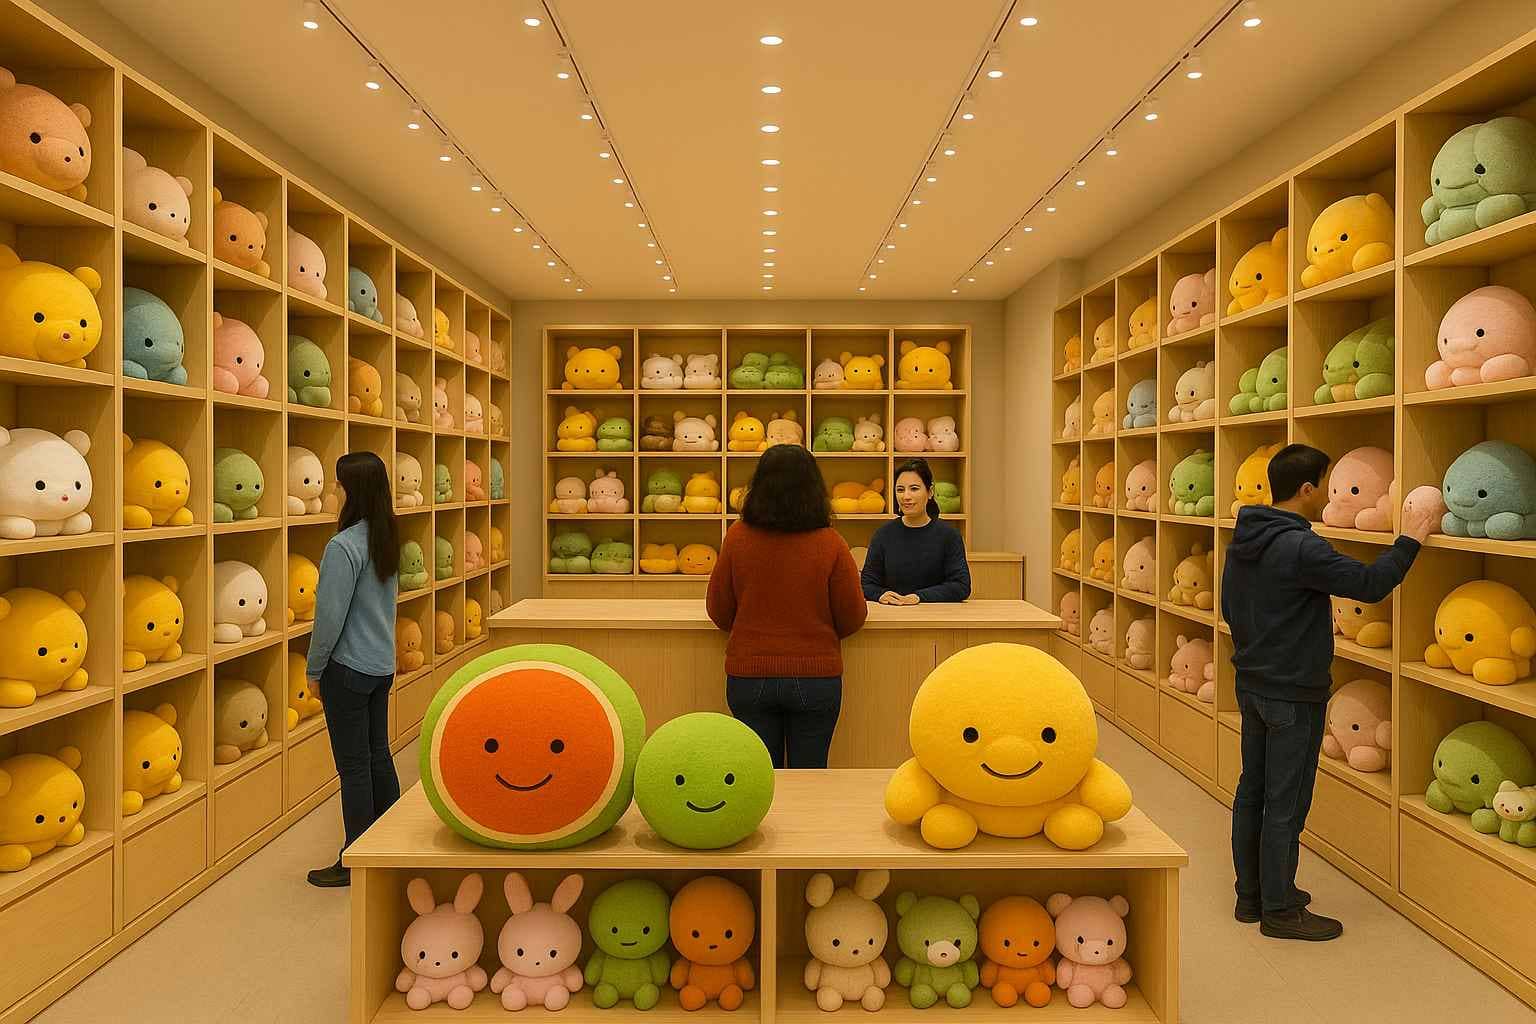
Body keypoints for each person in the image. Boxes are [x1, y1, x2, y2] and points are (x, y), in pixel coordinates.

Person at [1221, 444, 1434, 940]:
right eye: (1325, 482)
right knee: (1286, 803)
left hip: (1251, 683)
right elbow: (1370, 583)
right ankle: (1280, 911)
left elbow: (1232, 607)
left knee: (1252, 792)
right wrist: (1411, 537)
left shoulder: (1247, 535)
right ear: (1308, 489)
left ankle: (1251, 897)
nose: (1328, 494)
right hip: (1293, 692)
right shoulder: (1302, 546)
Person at [705, 444, 868, 767]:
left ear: (758, 486)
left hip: (749, 676)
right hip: (816, 676)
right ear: (814, 489)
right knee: (810, 780)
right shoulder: (830, 542)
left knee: (760, 779)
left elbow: (718, 609)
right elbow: (853, 615)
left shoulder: (737, 537)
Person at [304, 452, 401, 887]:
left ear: (352, 492)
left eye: (337, 485)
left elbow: (329, 618)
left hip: (347, 669)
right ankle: (390, 842)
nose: (331, 492)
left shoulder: (342, 546)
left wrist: (314, 668)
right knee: (378, 754)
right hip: (381, 664)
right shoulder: (385, 537)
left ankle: (355, 860)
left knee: (355, 767)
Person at [860, 458, 971, 605]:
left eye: (914, 489)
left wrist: (918, 597)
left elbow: (961, 586)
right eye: (900, 490)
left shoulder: (949, 535)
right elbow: (867, 583)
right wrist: (880, 594)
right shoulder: (883, 534)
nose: (906, 496)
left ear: (930, 492)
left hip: (937, 618)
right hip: (894, 615)